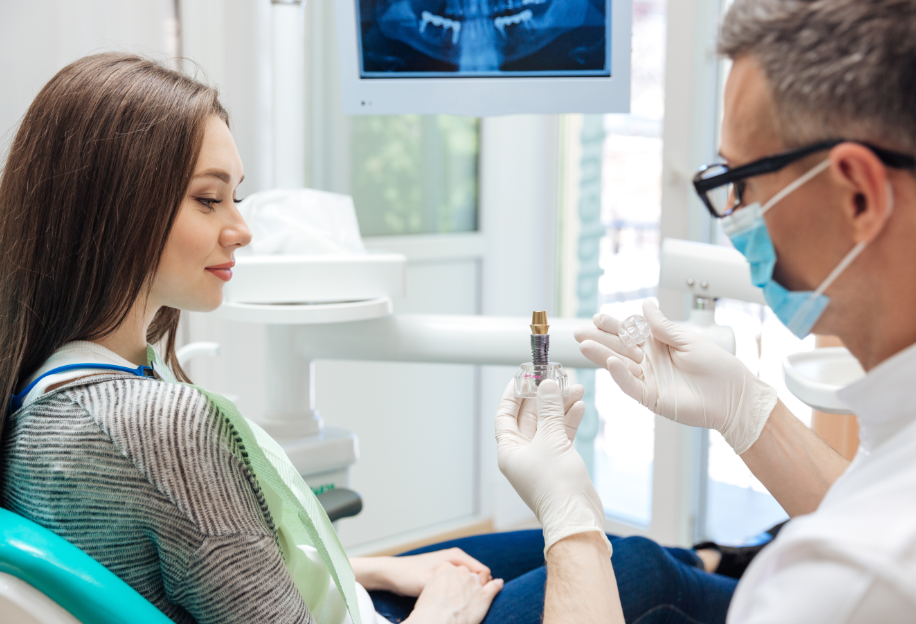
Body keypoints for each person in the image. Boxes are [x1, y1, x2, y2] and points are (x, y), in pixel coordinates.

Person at [0, 52, 742, 624]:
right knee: (640, 570)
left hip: (337, 597)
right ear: (111, 207)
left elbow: (218, 577)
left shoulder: (47, 385)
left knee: (627, 550)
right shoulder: (155, 425)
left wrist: (379, 569)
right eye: (208, 199)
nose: (242, 228)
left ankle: (735, 559)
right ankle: (783, 585)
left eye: (237, 196)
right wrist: (438, 612)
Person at [495, 0, 916, 622]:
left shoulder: (840, 584)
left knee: (639, 570)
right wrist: (746, 411)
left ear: (857, 194)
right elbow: (872, 503)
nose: (734, 217)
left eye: (741, 182)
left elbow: (870, 542)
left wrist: (569, 521)